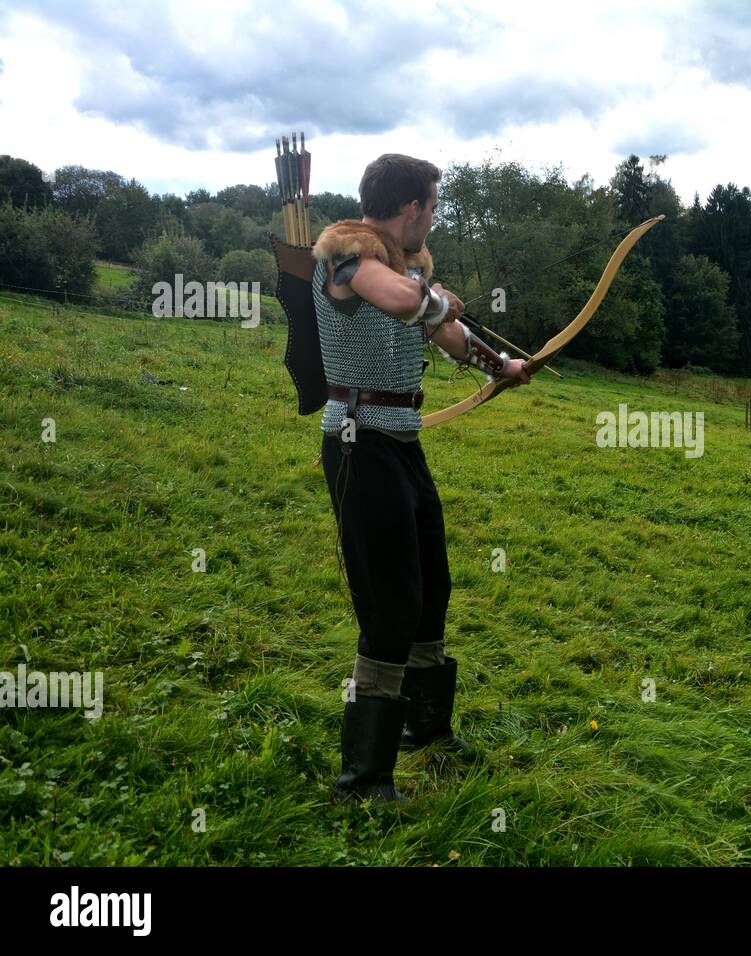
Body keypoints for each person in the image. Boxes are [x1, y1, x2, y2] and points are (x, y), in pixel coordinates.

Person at [311, 153, 531, 803]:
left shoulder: (407, 272)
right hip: (357, 442)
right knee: (389, 604)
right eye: (432, 207)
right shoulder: (348, 260)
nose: (432, 218)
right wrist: (434, 301)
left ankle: (425, 732)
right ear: (410, 208)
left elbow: (450, 337)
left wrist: (500, 366)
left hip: (401, 445)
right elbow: (409, 302)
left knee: (431, 586)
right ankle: (363, 778)